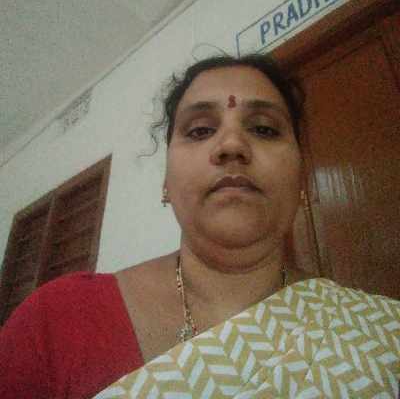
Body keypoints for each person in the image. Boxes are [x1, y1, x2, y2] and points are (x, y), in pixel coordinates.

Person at [1, 54, 399, 399]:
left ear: (301, 179)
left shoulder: (381, 335)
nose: (231, 146)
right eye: (200, 130)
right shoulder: (58, 320)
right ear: (165, 184)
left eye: (264, 128)